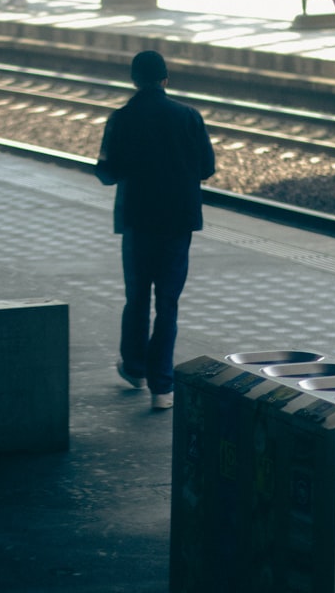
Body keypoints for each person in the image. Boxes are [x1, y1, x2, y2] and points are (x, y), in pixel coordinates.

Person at [95, 50, 216, 410]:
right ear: (166, 78)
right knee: (167, 302)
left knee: (137, 297)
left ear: (134, 80)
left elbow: (106, 173)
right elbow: (206, 168)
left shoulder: (121, 118)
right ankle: (162, 388)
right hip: (178, 223)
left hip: (137, 221)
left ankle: (135, 368)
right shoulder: (189, 117)